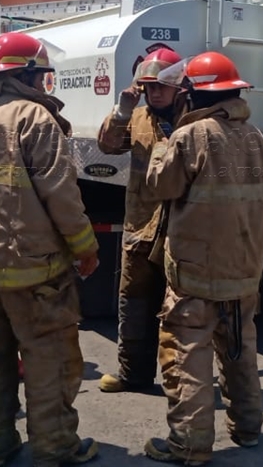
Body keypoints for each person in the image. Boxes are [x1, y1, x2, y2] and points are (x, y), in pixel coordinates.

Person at [0, 31, 101, 467]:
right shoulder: (35, 118)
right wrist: (84, 247)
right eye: (41, 76)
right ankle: (55, 447)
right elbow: (61, 195)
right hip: (32, 270)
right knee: (49, 361)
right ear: (25, 76)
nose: (44, 84)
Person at [140, 51, 263, 465]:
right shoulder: (256, 137)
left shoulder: (191, 136)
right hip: (244, 268)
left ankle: (190, 444)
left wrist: (162, 146)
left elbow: (160, 186)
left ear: (192, 95)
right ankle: (248, 428)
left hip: (196, 272)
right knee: (240, 348)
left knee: (189, 354)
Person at [95, 46, 185, 394]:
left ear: (178, 85)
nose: (155, 92)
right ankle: (133, 374)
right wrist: (121, 110)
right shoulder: (137, 118)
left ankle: (180, 382)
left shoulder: (195, 118)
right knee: (133, 305)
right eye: (149, 87)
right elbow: (108, 145)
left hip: (181, 229)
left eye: (162, 86)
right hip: (141, 227)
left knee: (179, 310)